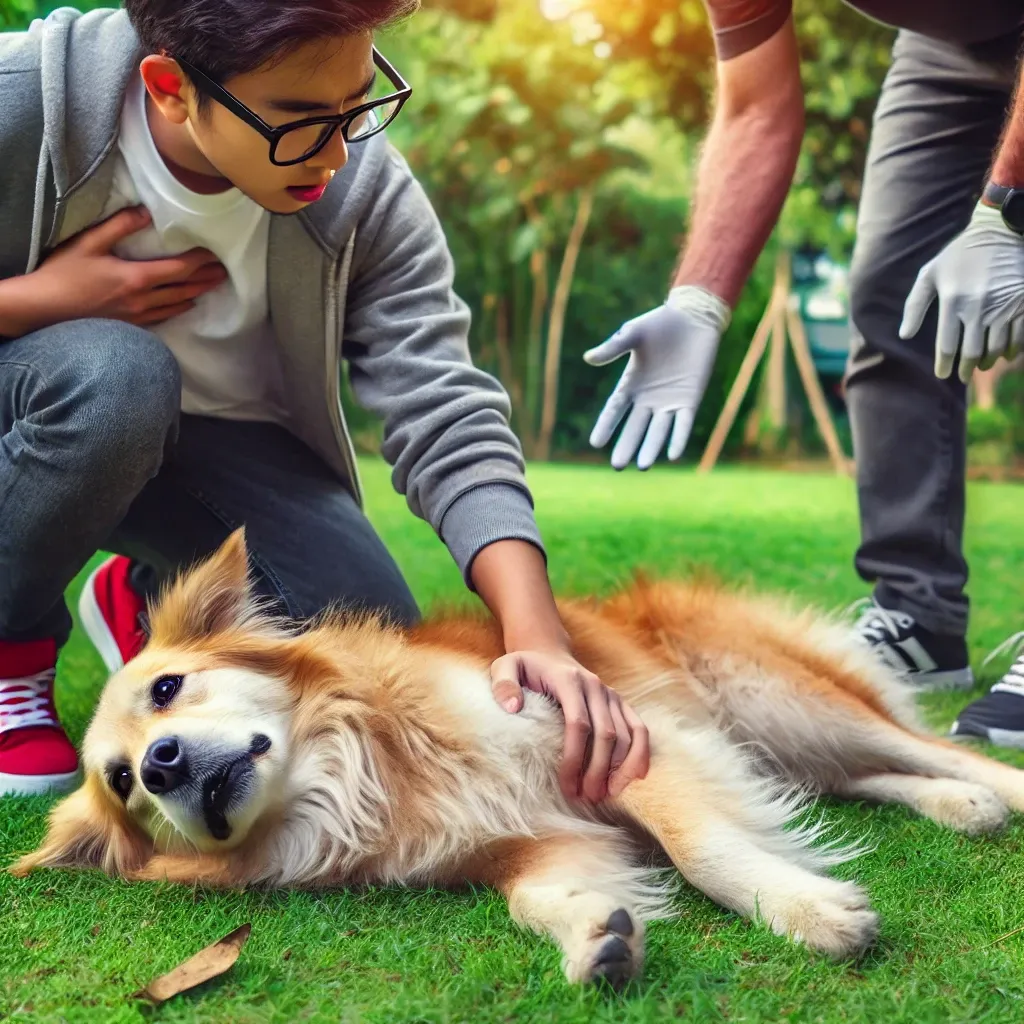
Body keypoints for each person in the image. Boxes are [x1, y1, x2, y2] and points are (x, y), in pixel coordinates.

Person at [0, 0, 649, 801]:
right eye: (303, 122)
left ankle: (153, 601)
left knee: (371, 636)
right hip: (42, 411)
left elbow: (441, 404)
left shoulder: (364, 193)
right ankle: (11, 644)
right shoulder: (21, 100)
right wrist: (33, 300)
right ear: (171, 87)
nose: (338, 155)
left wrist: (537, 633)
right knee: (119, 380)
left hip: (223, 454)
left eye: (357, 104)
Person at [585, 2, 1024, 747]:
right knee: (894, 291)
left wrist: (1006, 212)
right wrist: (698, 299)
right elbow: (755, 108)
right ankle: (918, 618)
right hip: (949, 45)